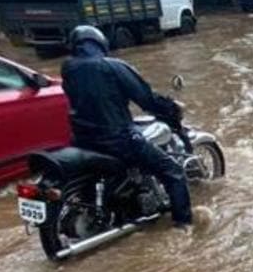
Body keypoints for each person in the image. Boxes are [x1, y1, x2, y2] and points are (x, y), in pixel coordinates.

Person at [60, 25, 193, 228]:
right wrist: (171, 107)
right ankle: (183, 226)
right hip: (117, 139)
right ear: (100, 43)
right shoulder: (113, 67)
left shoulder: (68, 68)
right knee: (173, 171)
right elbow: (146, 99)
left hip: (82, 139)